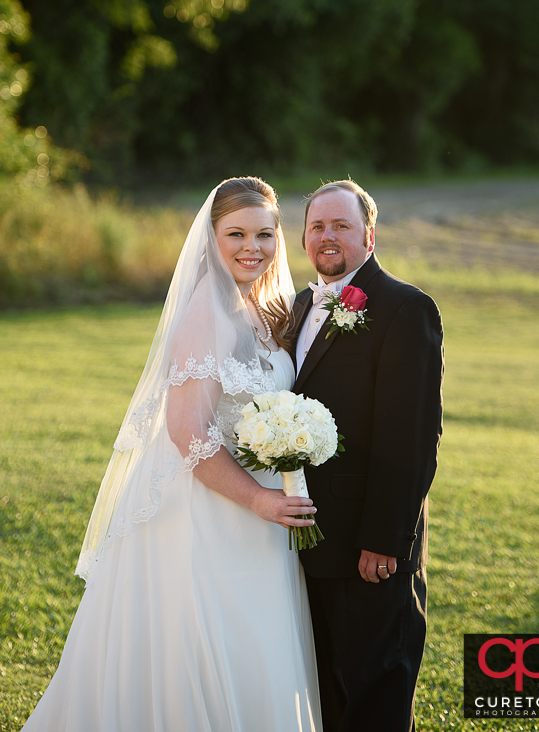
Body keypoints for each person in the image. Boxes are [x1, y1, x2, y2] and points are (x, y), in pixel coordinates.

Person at [21, 177, 322, 732]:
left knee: (254, 639)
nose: (251, 247)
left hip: (257, 516)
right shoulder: (206, 311)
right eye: (236, 234)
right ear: (211, 238)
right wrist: (257, 497)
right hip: (205, 513)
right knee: (205, 647)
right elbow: (188, 433)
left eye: (264, 233)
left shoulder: (262, 307)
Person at [291, 180, 444, 732]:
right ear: (304, 237)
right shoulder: (300, 305)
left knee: (374, 690)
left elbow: (413, 436)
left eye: (342, 226)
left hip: (366, 548)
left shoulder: (406, 308)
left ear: (369, 236)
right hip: (305, 539)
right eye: (317, 226)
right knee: (324, 689)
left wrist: (383, 540)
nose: (328, 236)